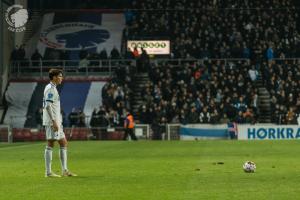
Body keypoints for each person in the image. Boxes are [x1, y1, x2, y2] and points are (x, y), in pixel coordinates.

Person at [43, 68, 77, 177]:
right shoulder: (50, 89)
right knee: (51, 143)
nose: (61, 78)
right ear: (54, 77)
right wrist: (53, 121)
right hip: (52, 122)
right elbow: (47, 106)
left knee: (62, 143)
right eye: (59, 76)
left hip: (56, 121)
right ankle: (49, 172)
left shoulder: (53, 88)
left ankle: (64, 170)